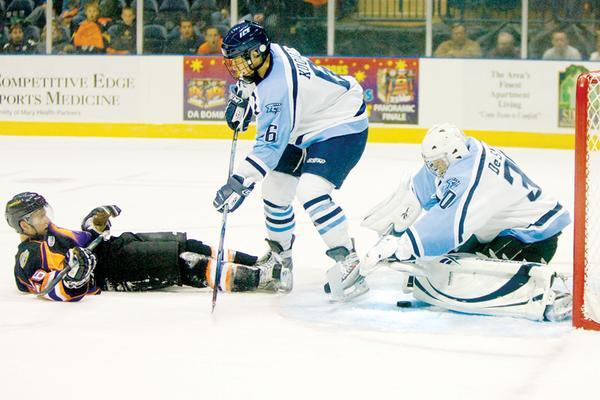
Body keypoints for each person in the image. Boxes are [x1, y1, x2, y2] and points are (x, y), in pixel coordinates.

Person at [213, 21, 369, 297]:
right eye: (233, 61)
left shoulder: (279, 90)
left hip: (340, 123)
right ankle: (280, 261)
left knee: (311, 191)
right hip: (303, 125)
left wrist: (240, 182)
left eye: (240, 60)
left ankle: (350, 263)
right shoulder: (269, 56)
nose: (236, 68)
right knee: (275, 189)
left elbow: (268, 149)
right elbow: (254, 86)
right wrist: (245, 100)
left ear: (258, 53)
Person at [360, 123, 572, 321]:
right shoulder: (463, 152)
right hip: (500, 231)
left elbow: (448, 224)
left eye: (438, 164)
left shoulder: (472, 173)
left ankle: (553, 295)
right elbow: (420, 190)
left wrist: (403, 247)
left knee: (470, 275)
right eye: (432, 165)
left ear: (453, 152)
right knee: (448, 261)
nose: (436, 170)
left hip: (533, 236)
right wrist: (393, 232)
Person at [5, 192, 288, 302]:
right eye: (39, 215)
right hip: (111, 270)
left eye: (45, 211)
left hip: (116, 246)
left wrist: (95, 223)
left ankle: (257, 261)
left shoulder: (49, 232)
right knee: (186, 262)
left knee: (189, 244)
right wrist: (76, 275)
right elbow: (52, 290)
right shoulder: (28, 257)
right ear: (24, 225)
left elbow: (84, 240)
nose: (47, 217)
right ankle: (261, 278)